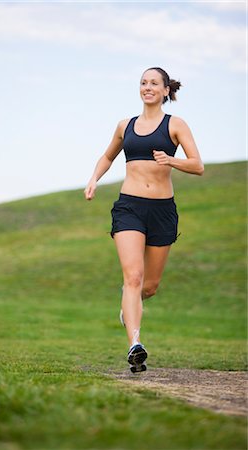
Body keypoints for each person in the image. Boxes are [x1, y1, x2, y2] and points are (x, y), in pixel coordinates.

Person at [84, 67, 204, 372]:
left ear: (166, 91)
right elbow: (108, 156)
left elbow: (198, 165)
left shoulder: (175, 124)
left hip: (162, 211)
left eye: (154, 83)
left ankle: (130, 308)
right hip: (129, 208)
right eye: (143, 83)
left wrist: (171, 159)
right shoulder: (125, 126)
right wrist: (94, 179)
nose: (147, 87)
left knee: (148, 286)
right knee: (133, 277)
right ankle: (134, 344)